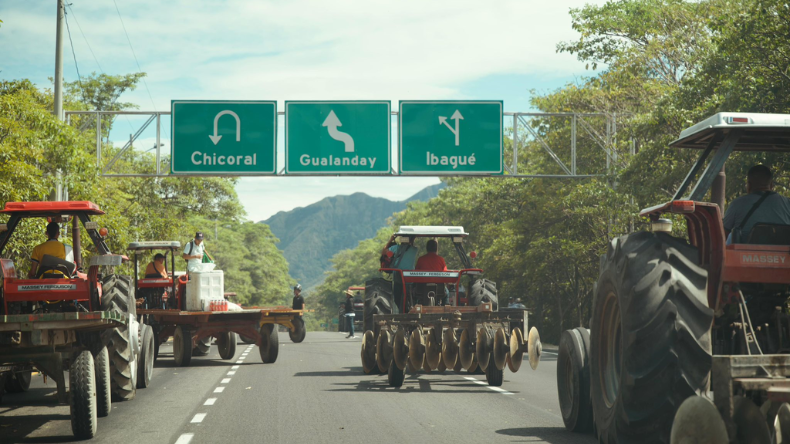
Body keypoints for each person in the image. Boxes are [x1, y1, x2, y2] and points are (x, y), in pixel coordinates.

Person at [723, 165, 790, 243]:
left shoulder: (737, 204)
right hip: (782, 253)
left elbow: (723, 235)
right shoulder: (787, 203)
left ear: (749, 185)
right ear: (771, 185)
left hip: (745, 254)